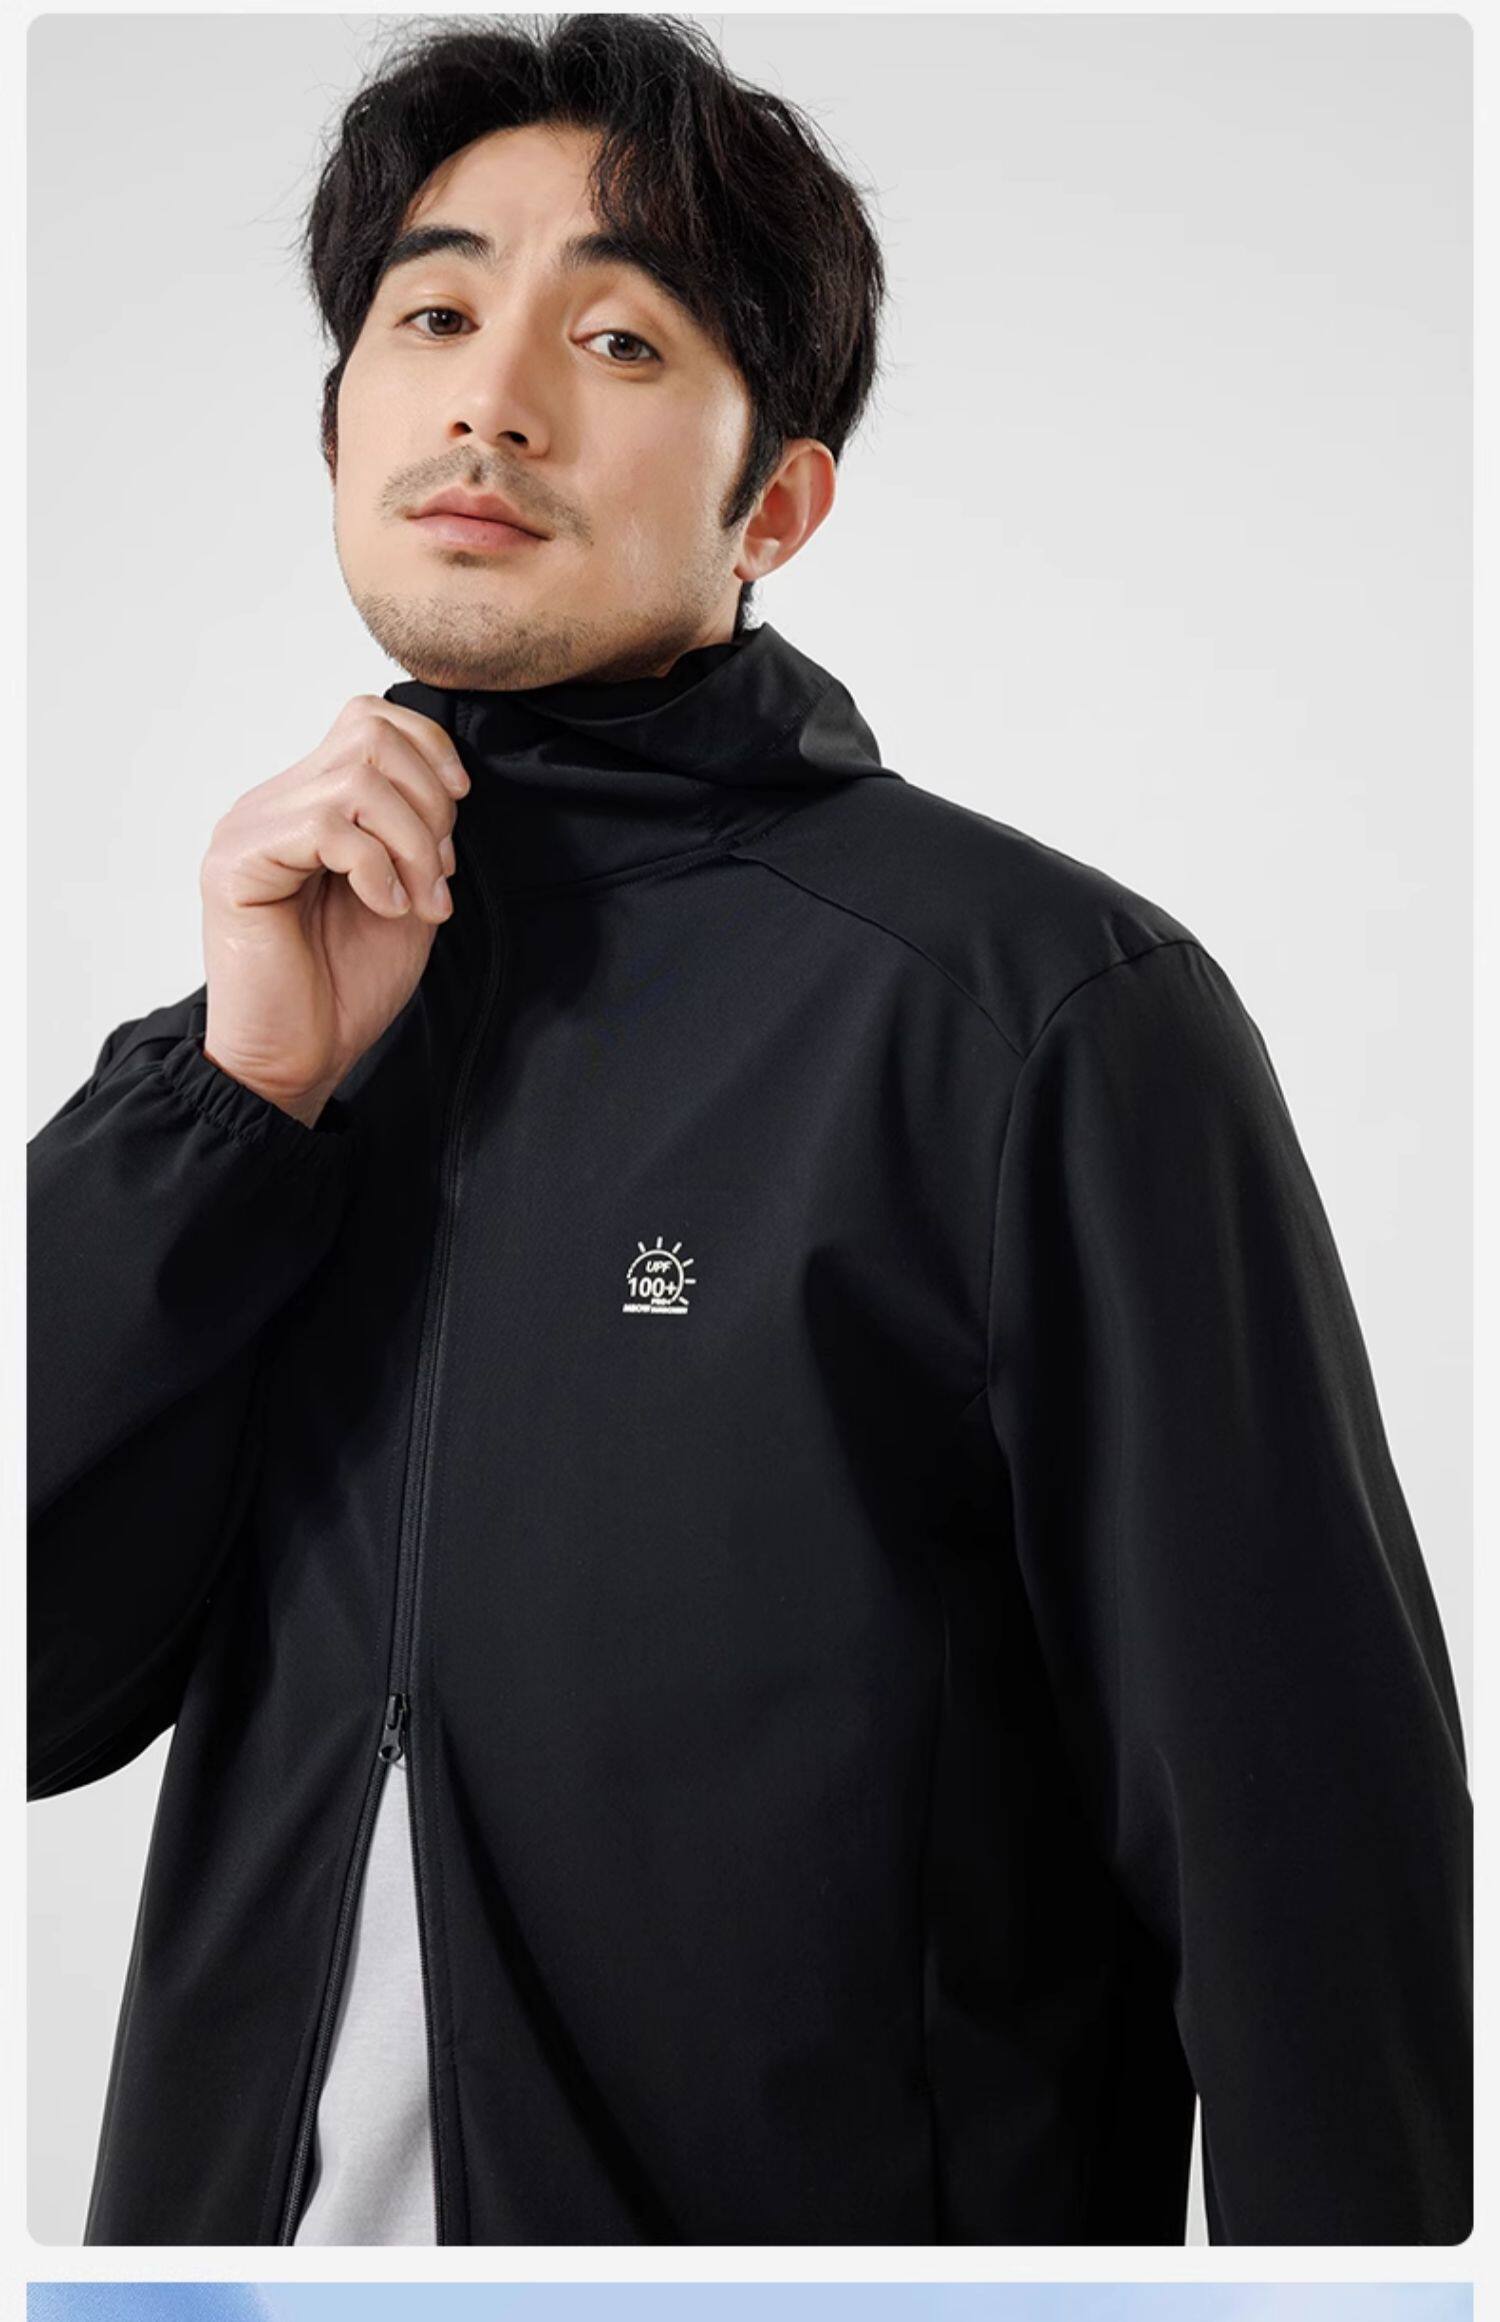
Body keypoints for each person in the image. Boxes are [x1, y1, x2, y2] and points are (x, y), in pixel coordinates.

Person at [28, 12, 1469, 2251]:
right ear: (338, 427)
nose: (492, 400)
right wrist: (234, 1107)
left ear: (774, 502)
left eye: (617, 337)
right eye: (430, 317)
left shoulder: (1027, 1015)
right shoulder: (264, 1036)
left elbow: (1310, 1873)